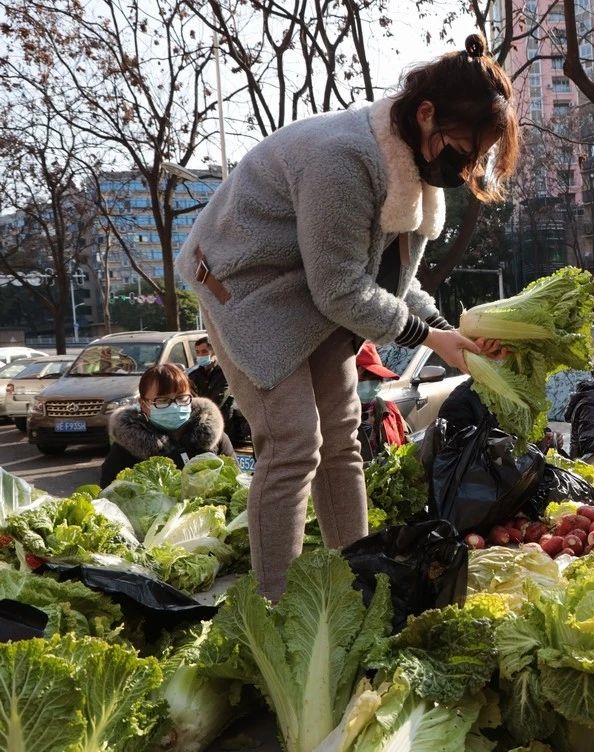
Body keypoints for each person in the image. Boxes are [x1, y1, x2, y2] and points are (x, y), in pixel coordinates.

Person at [177, 33, 518, 599]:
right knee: (292, 445)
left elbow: (391, 285)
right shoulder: (344, 159)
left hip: (309, 293)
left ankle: (355, 579)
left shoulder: (413, 174)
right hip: (244, 287)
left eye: (476, 157)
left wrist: (448, 331)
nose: (466, 167)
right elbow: (340, 290)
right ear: (426, 113)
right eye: (463, 148)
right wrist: (431, 338)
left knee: (342, 439)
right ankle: (280, 610)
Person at [100, 364, 235, 487]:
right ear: (143, 404)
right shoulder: (125, 450)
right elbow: (109, 498)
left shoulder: (216, 439)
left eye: (181, 398)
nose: (175, 406)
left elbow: (237, 483)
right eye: (162, 400)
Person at [356, 342, 408, 461]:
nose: (370, 385)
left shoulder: (390, 410)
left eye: (375, 379)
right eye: (364, 379)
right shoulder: (335, 417)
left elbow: (405, 445)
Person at [187, 336, 236, 440]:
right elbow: (189, 399)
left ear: (214, 352)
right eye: (197, 352)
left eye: (204, 351)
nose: (200, 355)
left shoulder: (225, 374)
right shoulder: (194, 375)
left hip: (222, 425)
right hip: (198, 426)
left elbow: (218, 399)